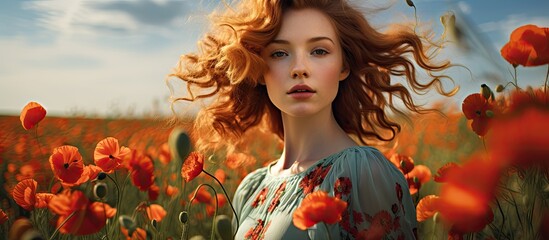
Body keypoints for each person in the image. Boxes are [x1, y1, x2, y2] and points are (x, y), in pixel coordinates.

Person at [168, 0, 456, 239]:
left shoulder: (362, 172)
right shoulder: (251, 188)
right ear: (259, 69)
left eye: (319, 50)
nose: (299, 68)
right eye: (280, 53)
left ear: (344, 65)